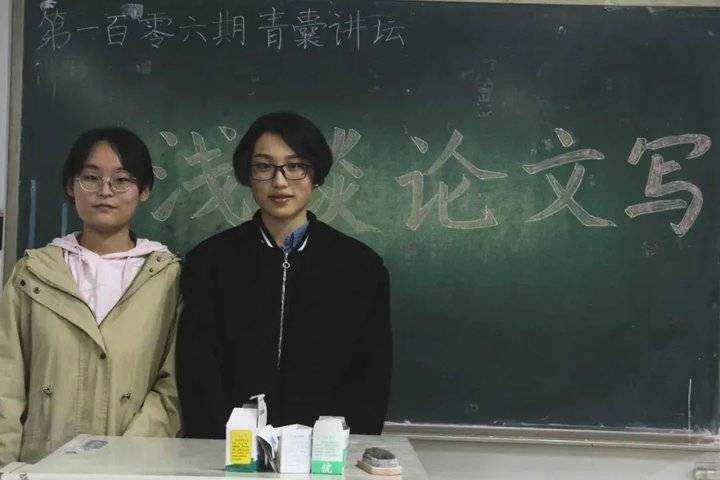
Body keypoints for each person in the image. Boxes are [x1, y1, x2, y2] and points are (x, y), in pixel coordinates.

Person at [177, 112, 392, 438]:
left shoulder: (361, 267)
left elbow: (372, 378)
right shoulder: (209, 262)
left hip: (326, 452)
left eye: (295, 166)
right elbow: (196, 372)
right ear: (248, 174)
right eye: (264, 167)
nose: (279, 181)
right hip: (229, 450)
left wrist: (341, 447)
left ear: (315, 173)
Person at [0, 128, 181, 466]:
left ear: (144, 190)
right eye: (91, 177)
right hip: (40, 466)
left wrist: (123, 457)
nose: (105, 191)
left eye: (122, 180)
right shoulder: (33, 273)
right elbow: (5, 381)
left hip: (131, 467)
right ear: (71, 186)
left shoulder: (167, 279)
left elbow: (172, 389)